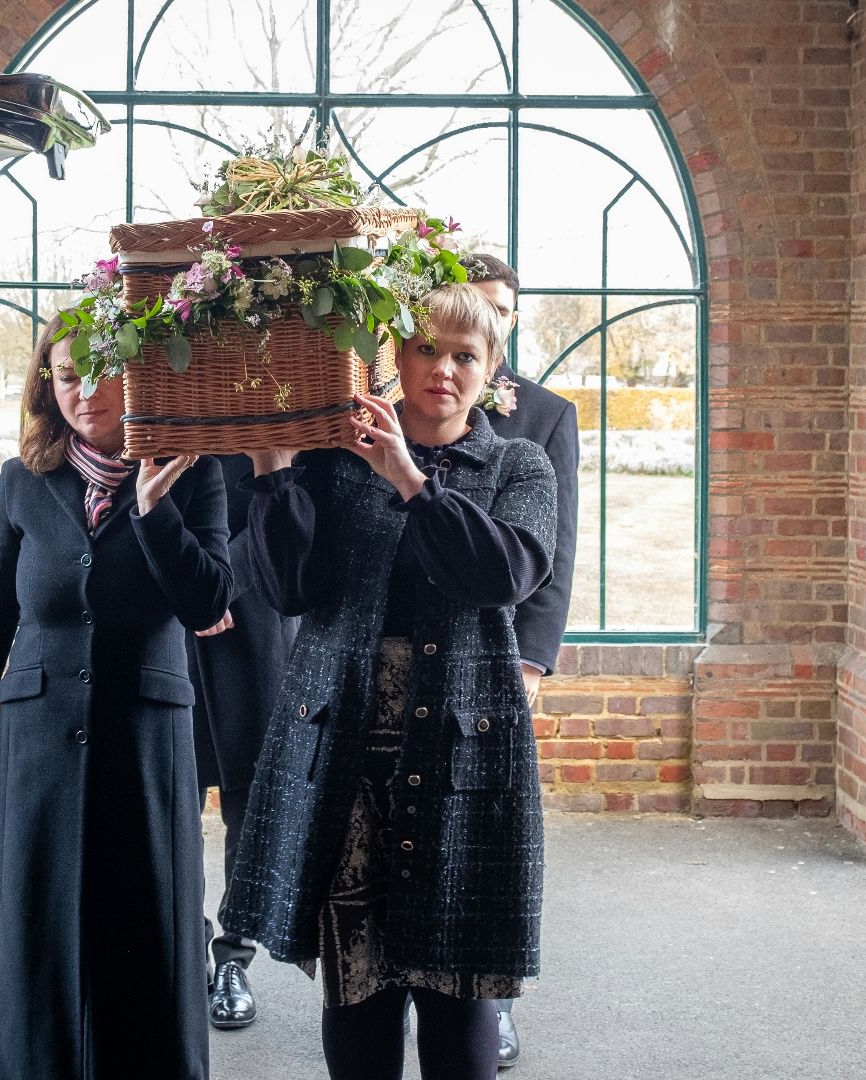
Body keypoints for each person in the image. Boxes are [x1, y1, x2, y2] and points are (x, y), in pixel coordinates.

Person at [222, 283, 557, 1080]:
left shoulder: (519, 463)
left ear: (491, 370)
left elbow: (503, 572)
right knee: (357, 987)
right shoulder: (339, 464)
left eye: (464, 356)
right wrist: (274, 465)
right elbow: (290, 589)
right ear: (394, 358)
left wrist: (412, 480)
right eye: (425, 349)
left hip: (463, 759)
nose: (443, 369)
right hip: (346, 754)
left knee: (458, 993)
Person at [0, 319, 232, 1080]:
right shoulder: (23, 480)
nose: (84, 390)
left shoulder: (195, 471)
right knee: (38, 925)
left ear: (140, 374)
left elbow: (208, 601)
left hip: (146, 737)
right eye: (65, 375)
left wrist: (157, 513)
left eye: (101, 369)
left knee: (146, 922)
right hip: (39, 736)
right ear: (46, 387)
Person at [462, 251, 580, 1070]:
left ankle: (493, 1002)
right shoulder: (402, 395)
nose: (488, 319)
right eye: (473, 306)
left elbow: (557, 551)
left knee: (491, 837)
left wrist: (533, 663)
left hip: (502, 655)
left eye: (500, 309)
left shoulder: (544, 414)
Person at [185, 453, 299, 1031]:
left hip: (250, 628)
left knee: (245, 809)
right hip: (171, 622)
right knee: (170, 806)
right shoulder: (159, 396)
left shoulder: (268, 399)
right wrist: (191, 586)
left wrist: (220, 586)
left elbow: (286, 504)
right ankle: (185, 952)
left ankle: (233, 958)